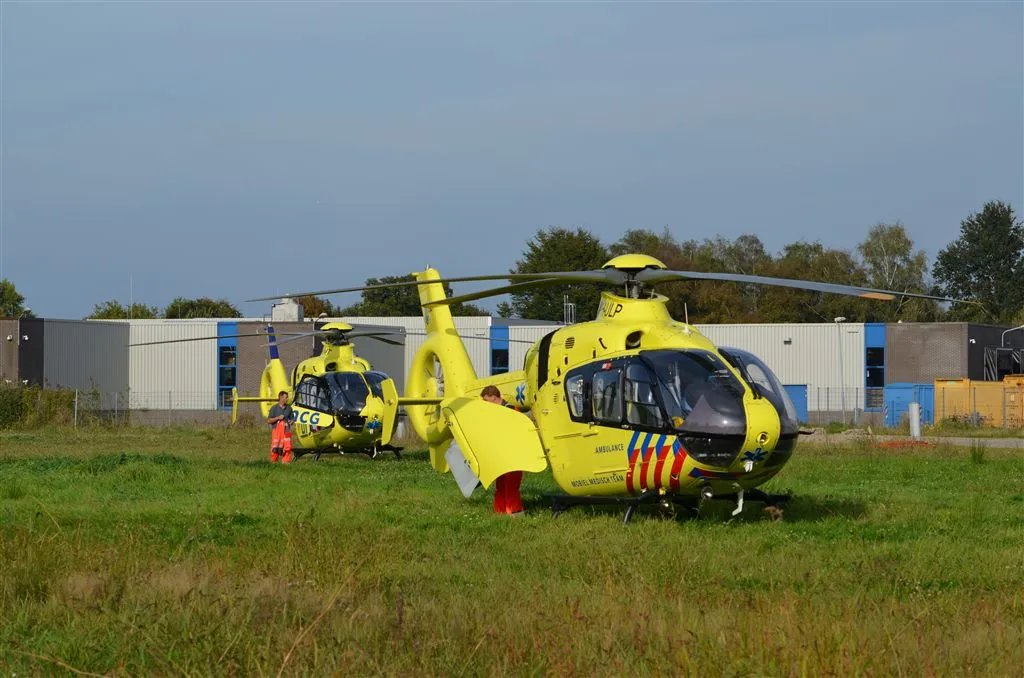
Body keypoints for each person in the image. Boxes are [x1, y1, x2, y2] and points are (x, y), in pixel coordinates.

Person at [480, 385, 525, 517]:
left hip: (513, 454)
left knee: (511, 485)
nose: (485, 404)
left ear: (494, 397)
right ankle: (500, 512)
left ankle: (515, 513)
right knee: (501, 485)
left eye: (486, 400)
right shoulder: (495, 412)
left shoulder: (511, 410)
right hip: (500, 454)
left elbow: (518, 432)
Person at [267, 391, 294, 464]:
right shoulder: (274, 408)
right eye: (284, 397)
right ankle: (273, 462)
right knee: (276, 446)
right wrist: (278, 418)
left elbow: (292, 418)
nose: (286, 399)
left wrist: (291, 421)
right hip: (277, 431)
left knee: (287, 446)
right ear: (280, 397)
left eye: (286, 397)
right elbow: (269, 420)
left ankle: (286, 462)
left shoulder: (289, 408)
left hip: (286, 430)